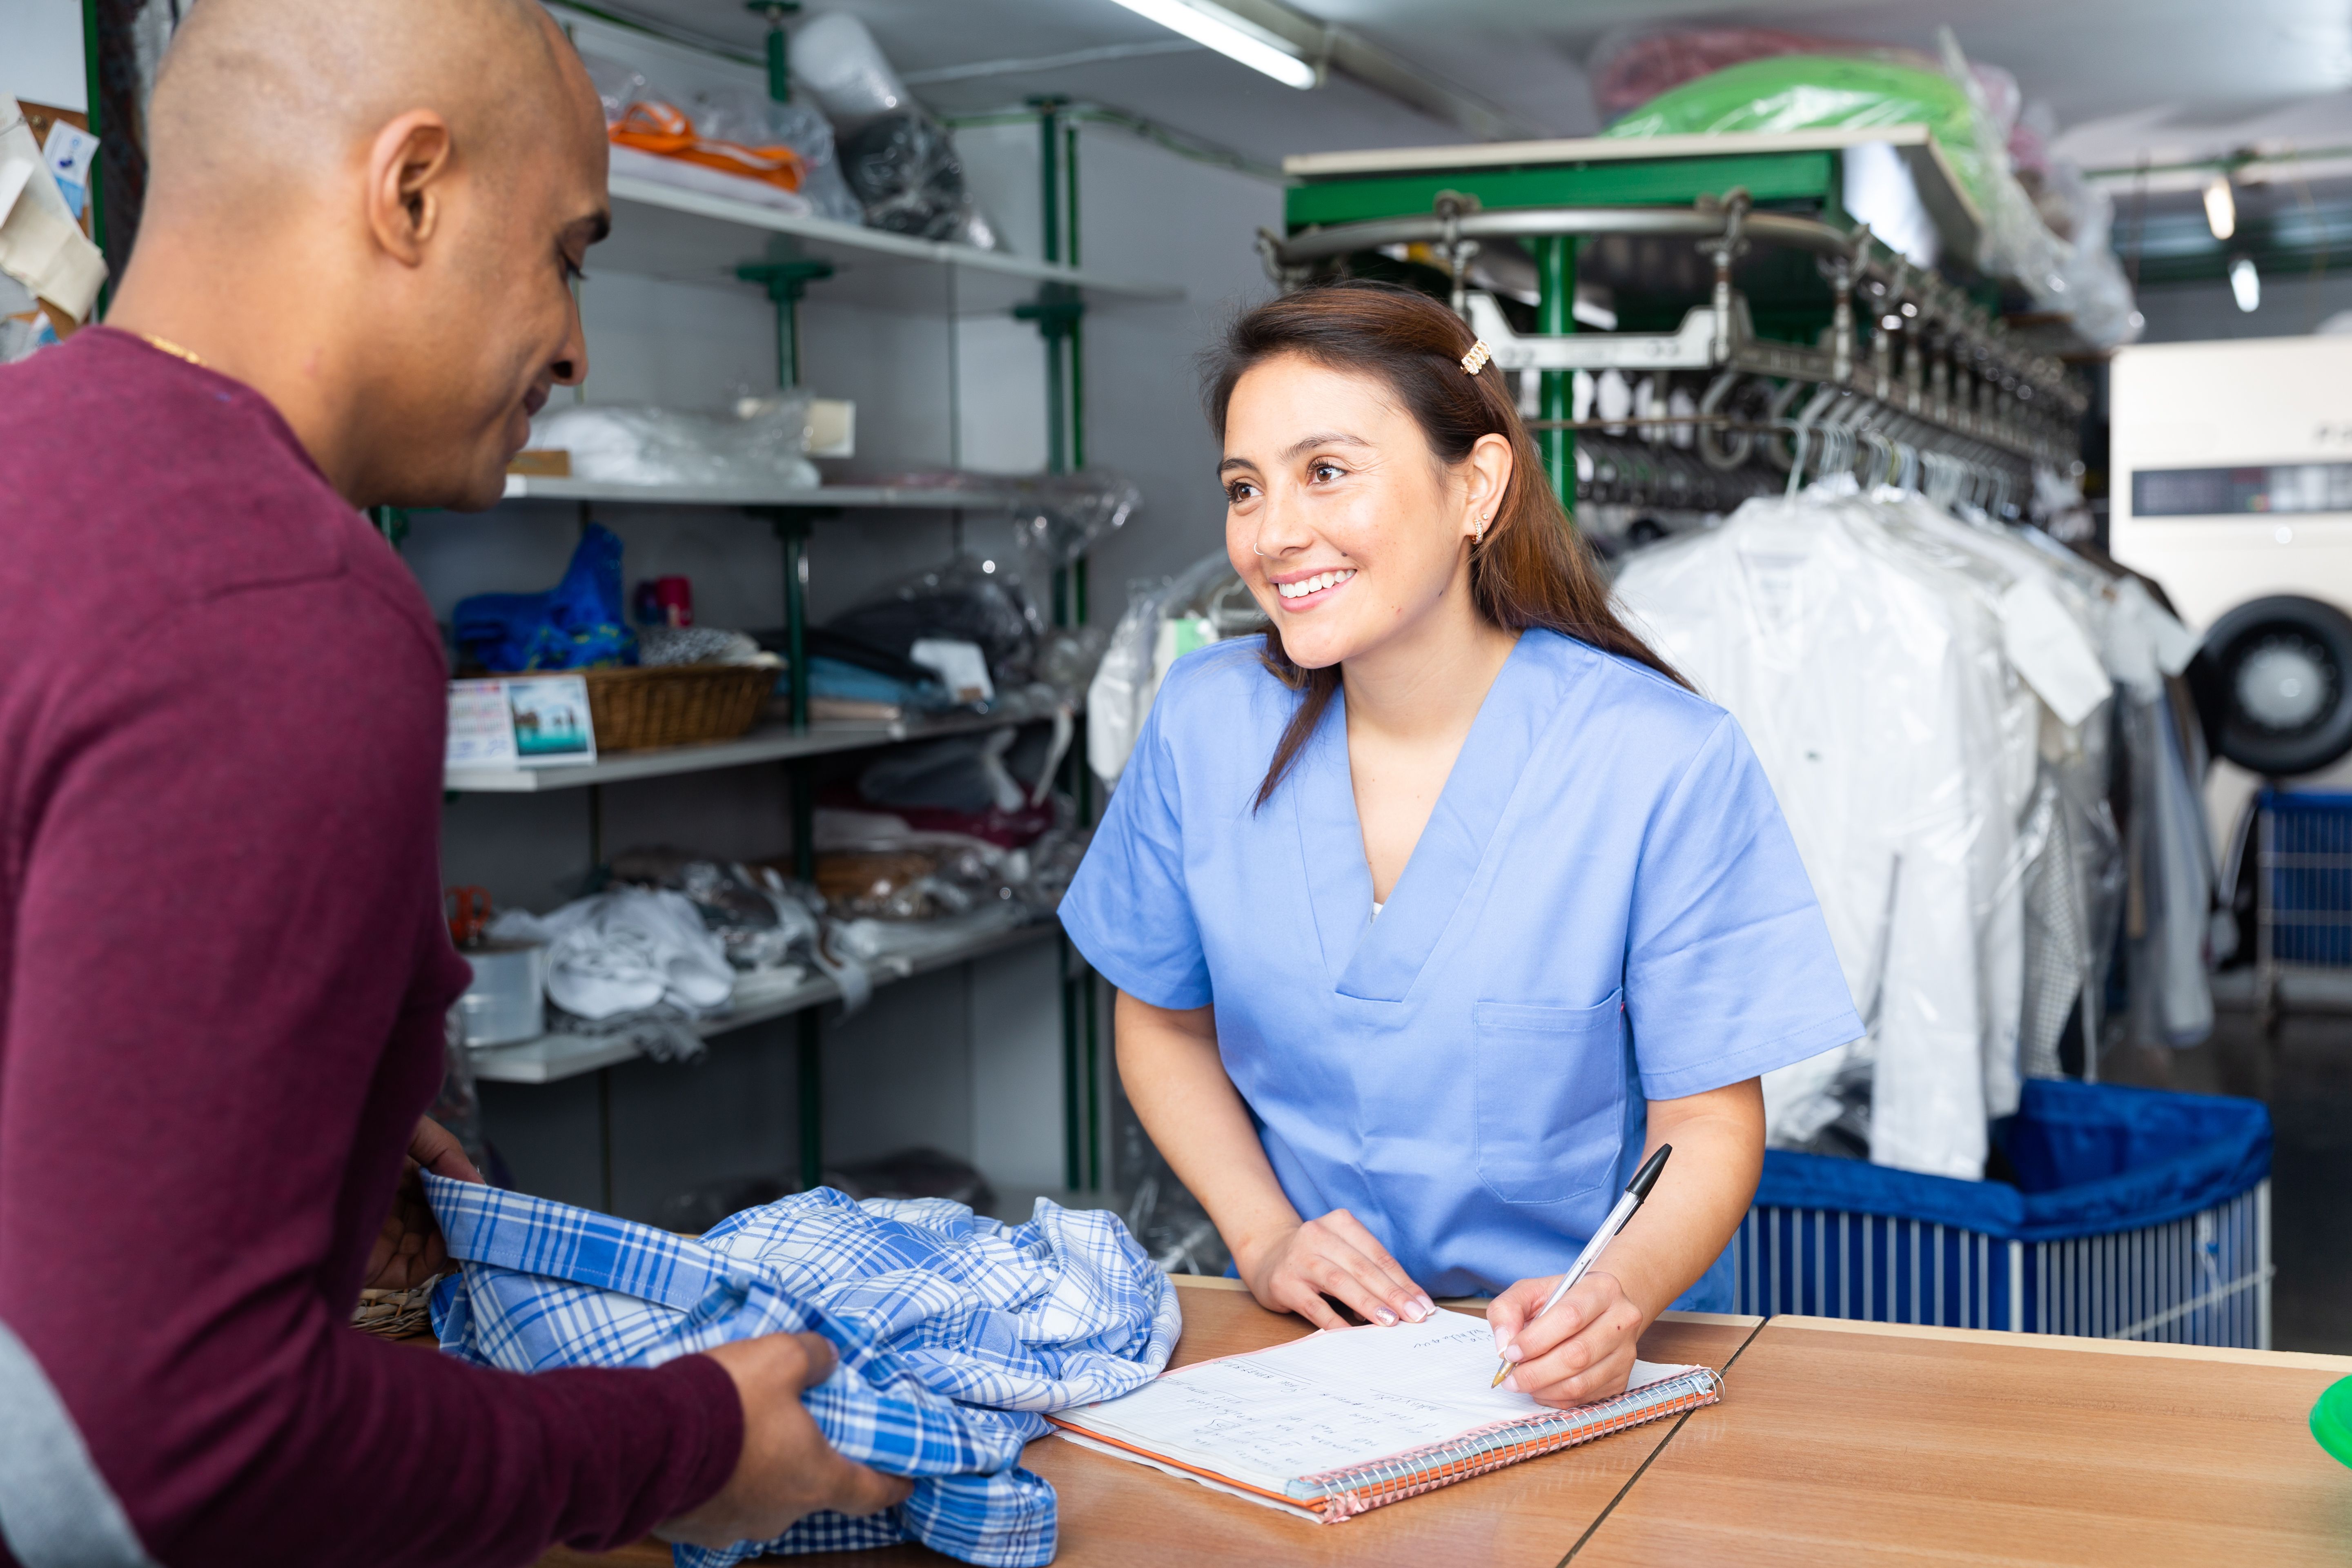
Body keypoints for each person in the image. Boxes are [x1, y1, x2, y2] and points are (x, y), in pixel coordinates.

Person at [0, 2, 904, 1563]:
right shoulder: (284, 600)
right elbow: (156, 1440)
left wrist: (300, 1108)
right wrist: (685, 1446)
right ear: (410, 191)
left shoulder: (39, 464)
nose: (574, 342)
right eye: (571, 251)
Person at [1059, 282, 1863, 1409]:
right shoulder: (1204, 720)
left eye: (1326, 471)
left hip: (1555, 1365)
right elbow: (1157, 1018)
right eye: (1246, 488)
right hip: (1299, 1355)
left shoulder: (1658, 759)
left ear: (1475, 485)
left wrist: (1615, 1296)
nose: (1274, 531)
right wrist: (1266, 1237)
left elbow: (1709, 1119)